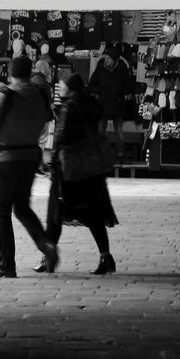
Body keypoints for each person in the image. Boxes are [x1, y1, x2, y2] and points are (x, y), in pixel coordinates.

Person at [0, 56, 58, 278]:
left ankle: (6, 264)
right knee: (22, 207)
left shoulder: (6, 94)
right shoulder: (39, 95)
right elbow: (44, 129)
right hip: (29, 157)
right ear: (29, 71)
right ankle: (46, 246)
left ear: (10, 73)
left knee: (1, 214)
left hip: (4, 159)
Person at [37, 72, 119, 275]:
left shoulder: (69, 108)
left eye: (62, 85)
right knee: (93, 214)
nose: (60, 89)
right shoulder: (93, 104)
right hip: (92, 167)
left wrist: (52, 164)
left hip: (71, 168)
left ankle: (48, 259)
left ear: (70, 87)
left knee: (56, 213)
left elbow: (62, 137)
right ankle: (106, 257)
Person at [88, 44, 132, 161]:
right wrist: (101, 90)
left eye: (108, 58)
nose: (106, 60)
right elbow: (91, 85)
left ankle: (120, 154)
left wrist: (119, 91)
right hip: (103, 104)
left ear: (114, 60)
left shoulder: (122, 70)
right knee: (101, 132)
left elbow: (129, 86)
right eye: (105, 58)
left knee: (119, 133)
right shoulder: (100, 68)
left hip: (117, 104)